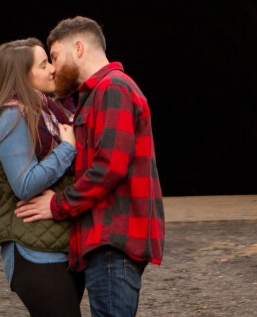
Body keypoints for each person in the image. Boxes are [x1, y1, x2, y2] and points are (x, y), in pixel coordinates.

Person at [15, 17, 164, 317]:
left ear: (79, 47)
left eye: (55, 56)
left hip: (112, 239)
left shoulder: (113, 89)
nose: (53, 68)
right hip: (105, 239)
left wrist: (57, 204)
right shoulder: (95, 95)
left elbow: (108, 168)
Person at [0, 38, 85, 317]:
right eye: (43, 64)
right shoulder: (13, 118)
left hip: (57, 246)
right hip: (33, 252)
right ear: (24, 76)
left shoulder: (47, 111)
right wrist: (67, 150)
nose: (52, 68)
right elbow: (24, 184)